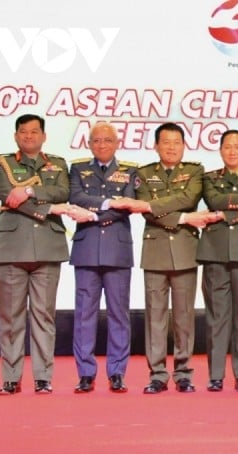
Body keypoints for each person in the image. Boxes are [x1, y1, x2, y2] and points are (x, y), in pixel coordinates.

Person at [111, 122, 218, 394]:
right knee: (155, 317)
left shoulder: (195, 171)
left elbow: (187, 197)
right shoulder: (144, 174)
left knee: (184, 317)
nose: (171, 147)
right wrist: (183, 217)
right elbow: (146, 212)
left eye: (176, 142)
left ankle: (183, 373)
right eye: (166, 142)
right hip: (155, 251)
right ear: (156, 145)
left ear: (184, 145)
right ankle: (157, 374)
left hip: (185, 250)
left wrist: (151, 205)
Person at [0, 113, 70, 395]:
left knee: (44, 316)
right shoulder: (2, 163)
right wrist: (44, 207)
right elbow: (7, 196)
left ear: (44, 136)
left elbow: (63, 192)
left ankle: (43, 377)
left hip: (48, 247)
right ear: (16, 136)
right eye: (23, 132)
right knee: (11, 318)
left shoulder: (57, 164)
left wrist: (30, 189)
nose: (29, 136)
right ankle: (11, 378)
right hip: (13, 249)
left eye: (34, 132)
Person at [67, 122, 137, 393]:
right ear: (89, 143)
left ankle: (117, 372)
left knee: (119, 315)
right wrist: (109, 203)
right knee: (85, 314)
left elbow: (127, 205)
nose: (102, 145)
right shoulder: (78, 168)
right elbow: (76, 196)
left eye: (108, 140)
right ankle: (86, 373)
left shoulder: (130, 170)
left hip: (118, 250)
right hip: (86, 249)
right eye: (97, 140)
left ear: (117, 143)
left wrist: (95, 214)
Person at [196, 130, 238, 393]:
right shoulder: (210, 178)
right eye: (227, 147)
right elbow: (213, 199)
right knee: (216, 317)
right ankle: (215, 375)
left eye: (237, 147)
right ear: (221, 151)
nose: (232, 151)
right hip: (215, 250)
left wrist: (223, 215)